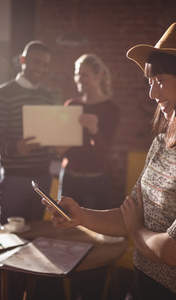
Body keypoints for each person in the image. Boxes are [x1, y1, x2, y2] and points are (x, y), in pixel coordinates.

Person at [47, 22, 176, 300]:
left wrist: (134, 229)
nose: (152, 94)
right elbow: (130, 214)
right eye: (149, 81)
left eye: (160, 80)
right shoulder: (163, 141)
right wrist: (80, 215)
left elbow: (172, 251)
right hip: (141, 286)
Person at [0, 40, 55, 226]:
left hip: (43, 179)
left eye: (45, 65)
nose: (41, 68)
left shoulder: (48, 97)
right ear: (22, 60)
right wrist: (17, 147)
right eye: (36, 62)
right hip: (14, 179)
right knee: (10, 238)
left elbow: (50, 135)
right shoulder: (2, 94)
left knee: (36, 238)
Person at [57, 53, 120, 210]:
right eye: (77, 74)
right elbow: (60, 150)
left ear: (99, 76)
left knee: (96, 233)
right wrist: (58, 145)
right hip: (69, 178)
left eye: (84, 74)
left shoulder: (111, 109)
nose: (78, 78)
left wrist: (94, 131)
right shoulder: (71, 105)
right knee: (65, 228)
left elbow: (103, 155)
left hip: (96, 182)